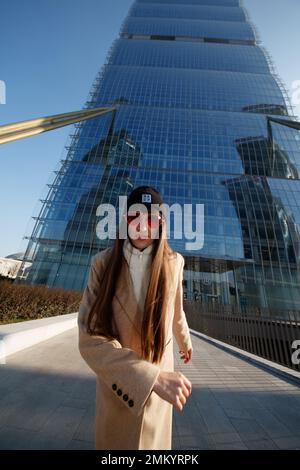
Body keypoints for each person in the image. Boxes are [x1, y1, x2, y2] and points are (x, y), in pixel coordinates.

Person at [77, 185, 193, 450]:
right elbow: (89, 337)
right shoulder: (102, 264)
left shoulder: (175, 263)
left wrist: (185, 341)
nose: (142, 226)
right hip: (118, 390)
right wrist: (150, 378)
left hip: (158, 401)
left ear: (161, 223)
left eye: (150, 219)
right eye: (134, 218)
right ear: (124, 222)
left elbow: (176, 311)